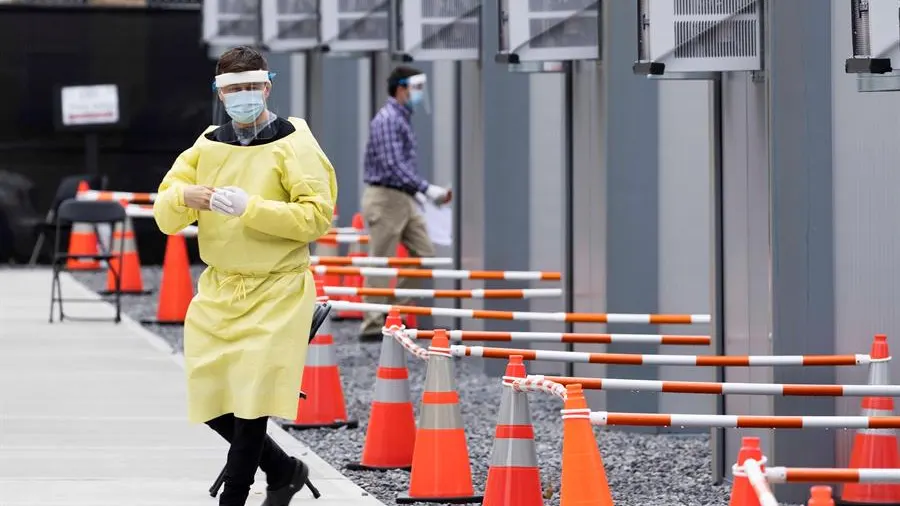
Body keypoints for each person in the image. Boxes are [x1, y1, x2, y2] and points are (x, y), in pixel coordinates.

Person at [152, 46, 337, 506]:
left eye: (251, 87)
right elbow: (164, 213)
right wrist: (184, 198)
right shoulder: (208, 144)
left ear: (267, 87)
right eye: (233, 89)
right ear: (219, 93)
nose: (243, 96)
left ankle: (233, 495)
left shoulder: (295, 141)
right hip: (221, 289)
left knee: (253, 398)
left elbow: (316, 218)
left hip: (278, 286)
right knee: (212, 395)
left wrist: (249, 209)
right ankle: (283, 469)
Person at [357, 65, 452, 340]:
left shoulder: (400, 118)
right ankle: (373, 323)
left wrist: (422, 192)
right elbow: (393, 165)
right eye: (416, 88)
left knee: (424, 255)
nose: (419, 95)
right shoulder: (388, 119)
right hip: (385, 197)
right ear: (401, 88)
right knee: (380, 260)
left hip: (403, 196)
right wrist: (427, 189)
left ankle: (392, 314)